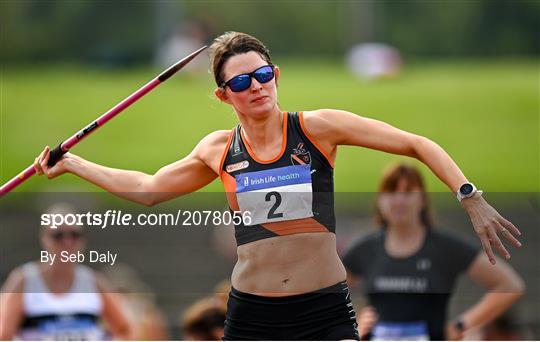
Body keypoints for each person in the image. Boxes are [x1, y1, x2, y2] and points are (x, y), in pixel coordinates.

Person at [32, 31, 522, 340]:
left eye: (263, 74)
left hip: (323, 306)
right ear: (224, 95)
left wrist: (470, 196)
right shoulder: (218, 149)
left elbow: (416, 143)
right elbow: (148, 188)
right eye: (242, 83)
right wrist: (74, 164)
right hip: (253, 312)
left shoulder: (318, 128)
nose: (257, 86)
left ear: (276, 75)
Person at [342, 163, 525, 340]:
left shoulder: (445, 248)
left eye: (407, 192)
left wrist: (462, 325)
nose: (399, 200)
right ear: (379, 200)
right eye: (391, 191)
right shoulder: (363, 249)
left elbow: (510, 285)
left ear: (422, 200)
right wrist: (352, 325)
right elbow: (327, 294)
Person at [0, 203, 131, 340]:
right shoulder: (23, 280)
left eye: (74, 235)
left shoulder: (94, 281)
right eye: (58, 235)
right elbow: (4, 336)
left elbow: (124, 330)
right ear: (44, 238)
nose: (67, 242)